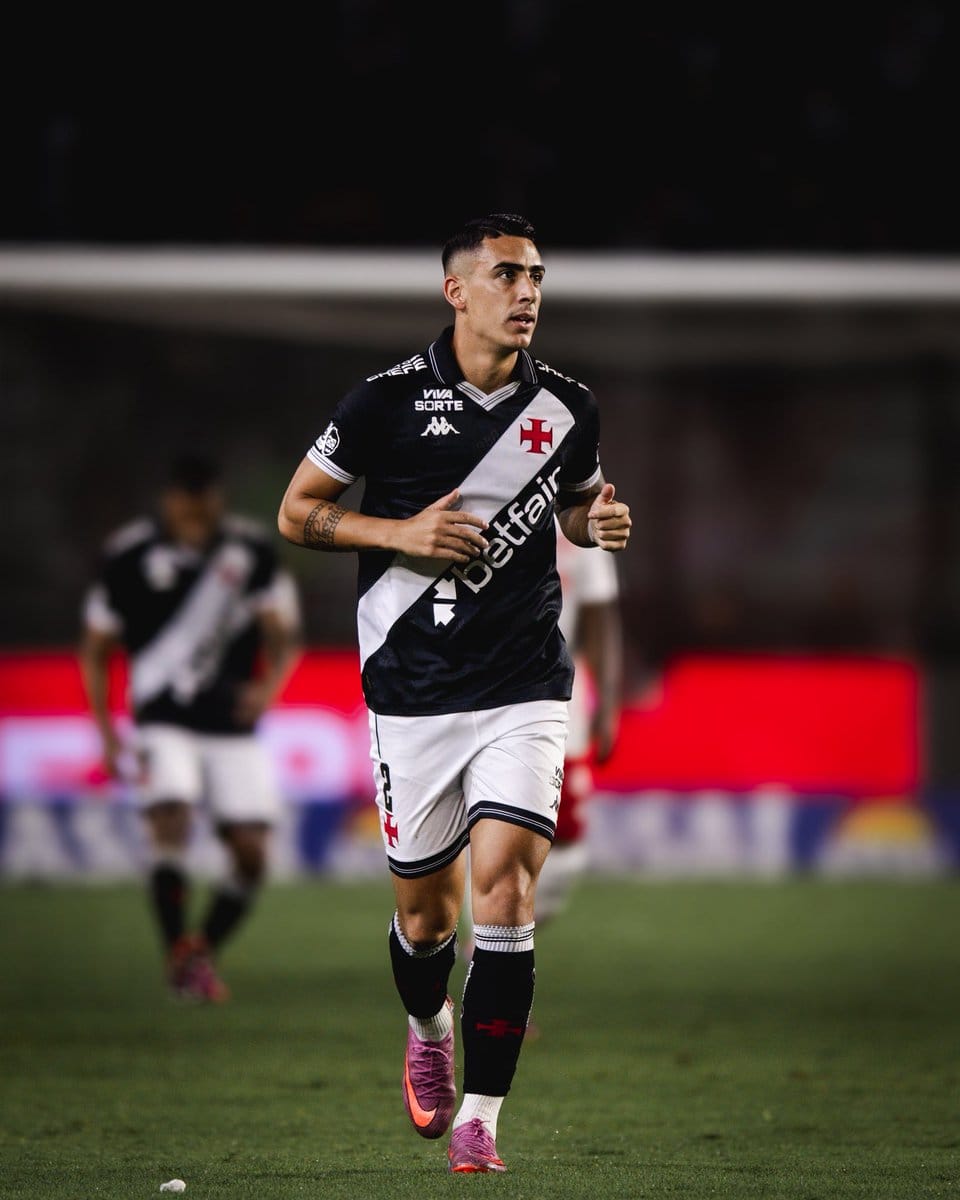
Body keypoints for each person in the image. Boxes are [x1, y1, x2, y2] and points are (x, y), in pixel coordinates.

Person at [277, 213, 631, 1173]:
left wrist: (596, 527)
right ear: (457, 290)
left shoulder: (568, 405)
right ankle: (428, 1026)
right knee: (425, 920)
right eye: (507, 275)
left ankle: (482, 1118)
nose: (528, 293)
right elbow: (297, 512)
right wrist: (397, 533)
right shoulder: (384, 401)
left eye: (537, 276)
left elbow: (577, 506)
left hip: (525, 684)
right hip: (413, 688)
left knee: (506, 889)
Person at [80, 453, 303, 1003]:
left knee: (251, 853)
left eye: (205, 498)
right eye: (187, 497)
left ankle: (197, 952)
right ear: (170, 499)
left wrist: (267, 690)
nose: (196, 509)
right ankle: (178, 950)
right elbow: (96, 648)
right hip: (162, 720)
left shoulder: (248, 551)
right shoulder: (129, 554)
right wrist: (106, 732)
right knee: (171, 813)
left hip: (230, 725)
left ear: (217, 499)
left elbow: (284, 634)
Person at [459, 522, 623, 968]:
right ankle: (486, 954)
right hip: (474, 688)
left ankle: (489, 941)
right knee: (482, 828)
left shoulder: (579, 514)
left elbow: (600, 612)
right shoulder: (475, 502)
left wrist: (609, 701)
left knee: (564, 846)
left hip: (556, 697)